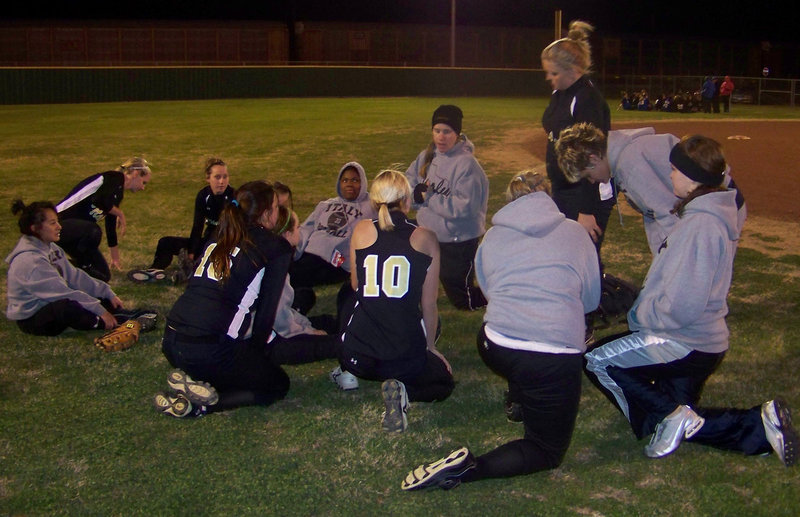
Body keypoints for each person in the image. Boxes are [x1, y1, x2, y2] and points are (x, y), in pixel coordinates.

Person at [583, 135, 797, 466]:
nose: (669, 176)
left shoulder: (701, 225)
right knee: (674, 416)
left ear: (693, 177)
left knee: (597, 360)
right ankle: (760, 427)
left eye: (673, 169)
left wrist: (640, 315)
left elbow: (682, 306)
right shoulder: (706, 215)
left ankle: (670, 415)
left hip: (686, 341)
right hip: (704, 341)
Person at [400, 172, 601, 491]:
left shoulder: (493, 236)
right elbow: (591, 299)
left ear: (510, 200)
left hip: (496, 344)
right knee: (546, 451)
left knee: (521, 358)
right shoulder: (575, 232)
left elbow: (492, 292)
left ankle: (519, 397)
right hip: (552, 355)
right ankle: (467, 469)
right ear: (547, 197)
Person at [154, 180, 293, 418]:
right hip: (208, 348)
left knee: (232, 362)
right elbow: (265, 315)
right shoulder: (275, 246)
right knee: (277, 383)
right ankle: (200, 405)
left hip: (172, 341)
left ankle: (197, 380)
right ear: (266, 213)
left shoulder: (222, 231)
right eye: (276, 206)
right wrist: (256, 356)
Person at [338, 169, 454, 433]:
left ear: (374, 200)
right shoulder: (425, 237)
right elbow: (429, 304)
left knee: (349, 296)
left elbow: (357, 285)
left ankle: (346, 369)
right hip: (402, 358)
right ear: (406, 200)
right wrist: (431, 348)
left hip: (358, 355)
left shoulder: (362, 229)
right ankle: (405, 391)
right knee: (443, 382)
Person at [555, 122, 747, 256]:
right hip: (714, 207)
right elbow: (656, 216)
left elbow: (670, 215)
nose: (591, 181)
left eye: (588, 175)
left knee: (703, 280)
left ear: (593, 159)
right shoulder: (624, 153)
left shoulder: (630, 165)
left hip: (720, 209)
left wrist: (670, 260)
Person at [540, 20, 613, 261]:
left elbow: (592, 159)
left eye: (554, 73)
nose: (549, 78)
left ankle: (593, 298)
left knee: (583, 257)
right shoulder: (560, 92)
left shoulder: (586, 98)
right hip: (565, 189)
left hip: (585, 192)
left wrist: (586, 210)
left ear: (573, 69)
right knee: (565, 253)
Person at [405, 104, 489, 310]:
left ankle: (501, 294)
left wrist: (429, 198)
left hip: (457, 239)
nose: (441, 137)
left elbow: (464, 208)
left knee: (462, 300)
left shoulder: (467, 165)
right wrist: (415, 194)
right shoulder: (427, 156)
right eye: (437, 130)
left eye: (447, 131)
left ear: (457, 133)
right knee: (413, 272)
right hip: (427, 232)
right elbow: (409, 181)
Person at [6, 199, 125, 336]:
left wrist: (106, 292)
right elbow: (63, 293)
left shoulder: (51, 247)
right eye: (52, 223)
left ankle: (116, 314)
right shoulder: (31, 262)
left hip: (49, 301)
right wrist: (100, 311)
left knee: (98, 297)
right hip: (33, 317)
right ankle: (100, 322)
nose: (59, 226)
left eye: (57, 221)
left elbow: (75, 276)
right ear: (35, 228)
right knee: (67, 307)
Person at [129, 157, 234, 283]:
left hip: (224, 246)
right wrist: (192, 251)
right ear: (208, 178)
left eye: (225, 177)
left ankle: (192, 272)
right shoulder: (203, 195)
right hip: (206, 243)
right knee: (166, 242)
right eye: (217, 177)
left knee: (210, 255)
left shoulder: (234, 197)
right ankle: (156, 271)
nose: (222, 181)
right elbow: (197, 226)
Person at [289, 161, 376, 314]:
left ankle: (296, 303)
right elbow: (306, 228)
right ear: (339, 183)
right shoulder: (325, 204)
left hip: (336, 260)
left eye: (355, 180)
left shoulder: (371, 207)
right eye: (345, 180)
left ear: (363, 183)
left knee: (292, 275)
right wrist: (296, 251)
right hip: (311, 253)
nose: (349, 184)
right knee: (287, 268)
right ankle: (298, 299)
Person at [56, 157, 152, 282]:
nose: (143, 187)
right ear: (135, 174)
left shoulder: (118, 193)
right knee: (93, 230)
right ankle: (78, 263)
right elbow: (99, 200)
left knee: (102, 275)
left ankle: (64, 268)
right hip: (57, 224)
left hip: (76, 234)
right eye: (143, 182)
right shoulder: (113, 177)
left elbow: (110, 225)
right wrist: (120, 214)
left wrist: (115, 258)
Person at [268, 205, 342, 367]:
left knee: (324, 317)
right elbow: (281, 322)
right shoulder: (276, 267)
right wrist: (309, 332)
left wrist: (305, 324)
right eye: (297, 227)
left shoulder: (276, 256)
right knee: (335, 343)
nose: (299, 230)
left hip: (278, 325)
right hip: (275, 339)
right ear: (287, 234)